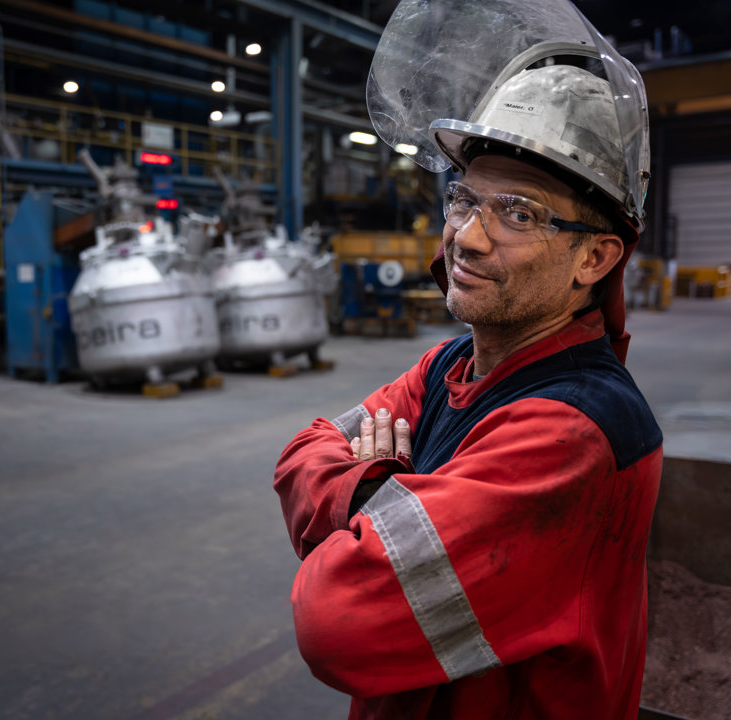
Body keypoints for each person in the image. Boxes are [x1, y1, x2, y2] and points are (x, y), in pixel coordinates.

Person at [273, 2, 663, 718]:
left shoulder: (574, 431)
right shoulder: (448, 368)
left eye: (517, 213)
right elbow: (299, 454)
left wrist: (373, 488)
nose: (469, 238)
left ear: (596, 257)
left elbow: (336, 622)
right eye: (464, 200)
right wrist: (378, 501)